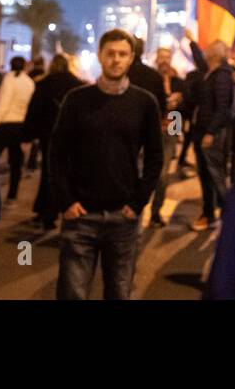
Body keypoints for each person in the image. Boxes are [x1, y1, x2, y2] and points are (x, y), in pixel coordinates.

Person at [50, 28, 162, 300]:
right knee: (71, 294)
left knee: (119, 293)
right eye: (110, 53)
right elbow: (56, 154)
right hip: (81, 217)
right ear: (100, 56)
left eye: (122, 54)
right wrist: (65, 201)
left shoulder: (145, 102)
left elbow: (155, 157)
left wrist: (138, 203)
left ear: (131, 58)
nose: (116, 59)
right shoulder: (76, 100)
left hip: (123, 218)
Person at [25, 52, 83, 229]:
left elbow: (34, 111)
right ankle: (60, 207)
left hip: (47, 133)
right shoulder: (77, 85)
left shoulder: (43, 84)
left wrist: (28, 134)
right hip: (71, 135)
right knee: (66, 171)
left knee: (47, 171)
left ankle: (44, 210)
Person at [188, 38, 235, 232]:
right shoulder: (212, 72)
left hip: (210, 133)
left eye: (208, 50)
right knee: (207, 175)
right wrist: (192, 42)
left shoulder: (222, 75)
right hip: (203, 131)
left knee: (214, 176)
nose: (205, 54)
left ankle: (229, 219)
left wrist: (210, 132)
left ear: (214, 54)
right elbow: (199, 62)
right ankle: (209, 214)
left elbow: (222, 108)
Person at [0, 55, 35, 204]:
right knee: (16, 163)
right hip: (20, 125)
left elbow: (3, 105)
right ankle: (12, 195)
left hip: (5, 124)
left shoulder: (10, 80)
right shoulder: (29, 82)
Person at [147, 46, 186, 227]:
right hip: (151, 130)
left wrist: (179, 100)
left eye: (166, 58)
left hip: (170, 129)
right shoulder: (151, 78)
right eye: (161, 57)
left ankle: (156, 211)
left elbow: (182, 109)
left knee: (163, 174)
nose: (163, 61)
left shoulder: (178, 81)